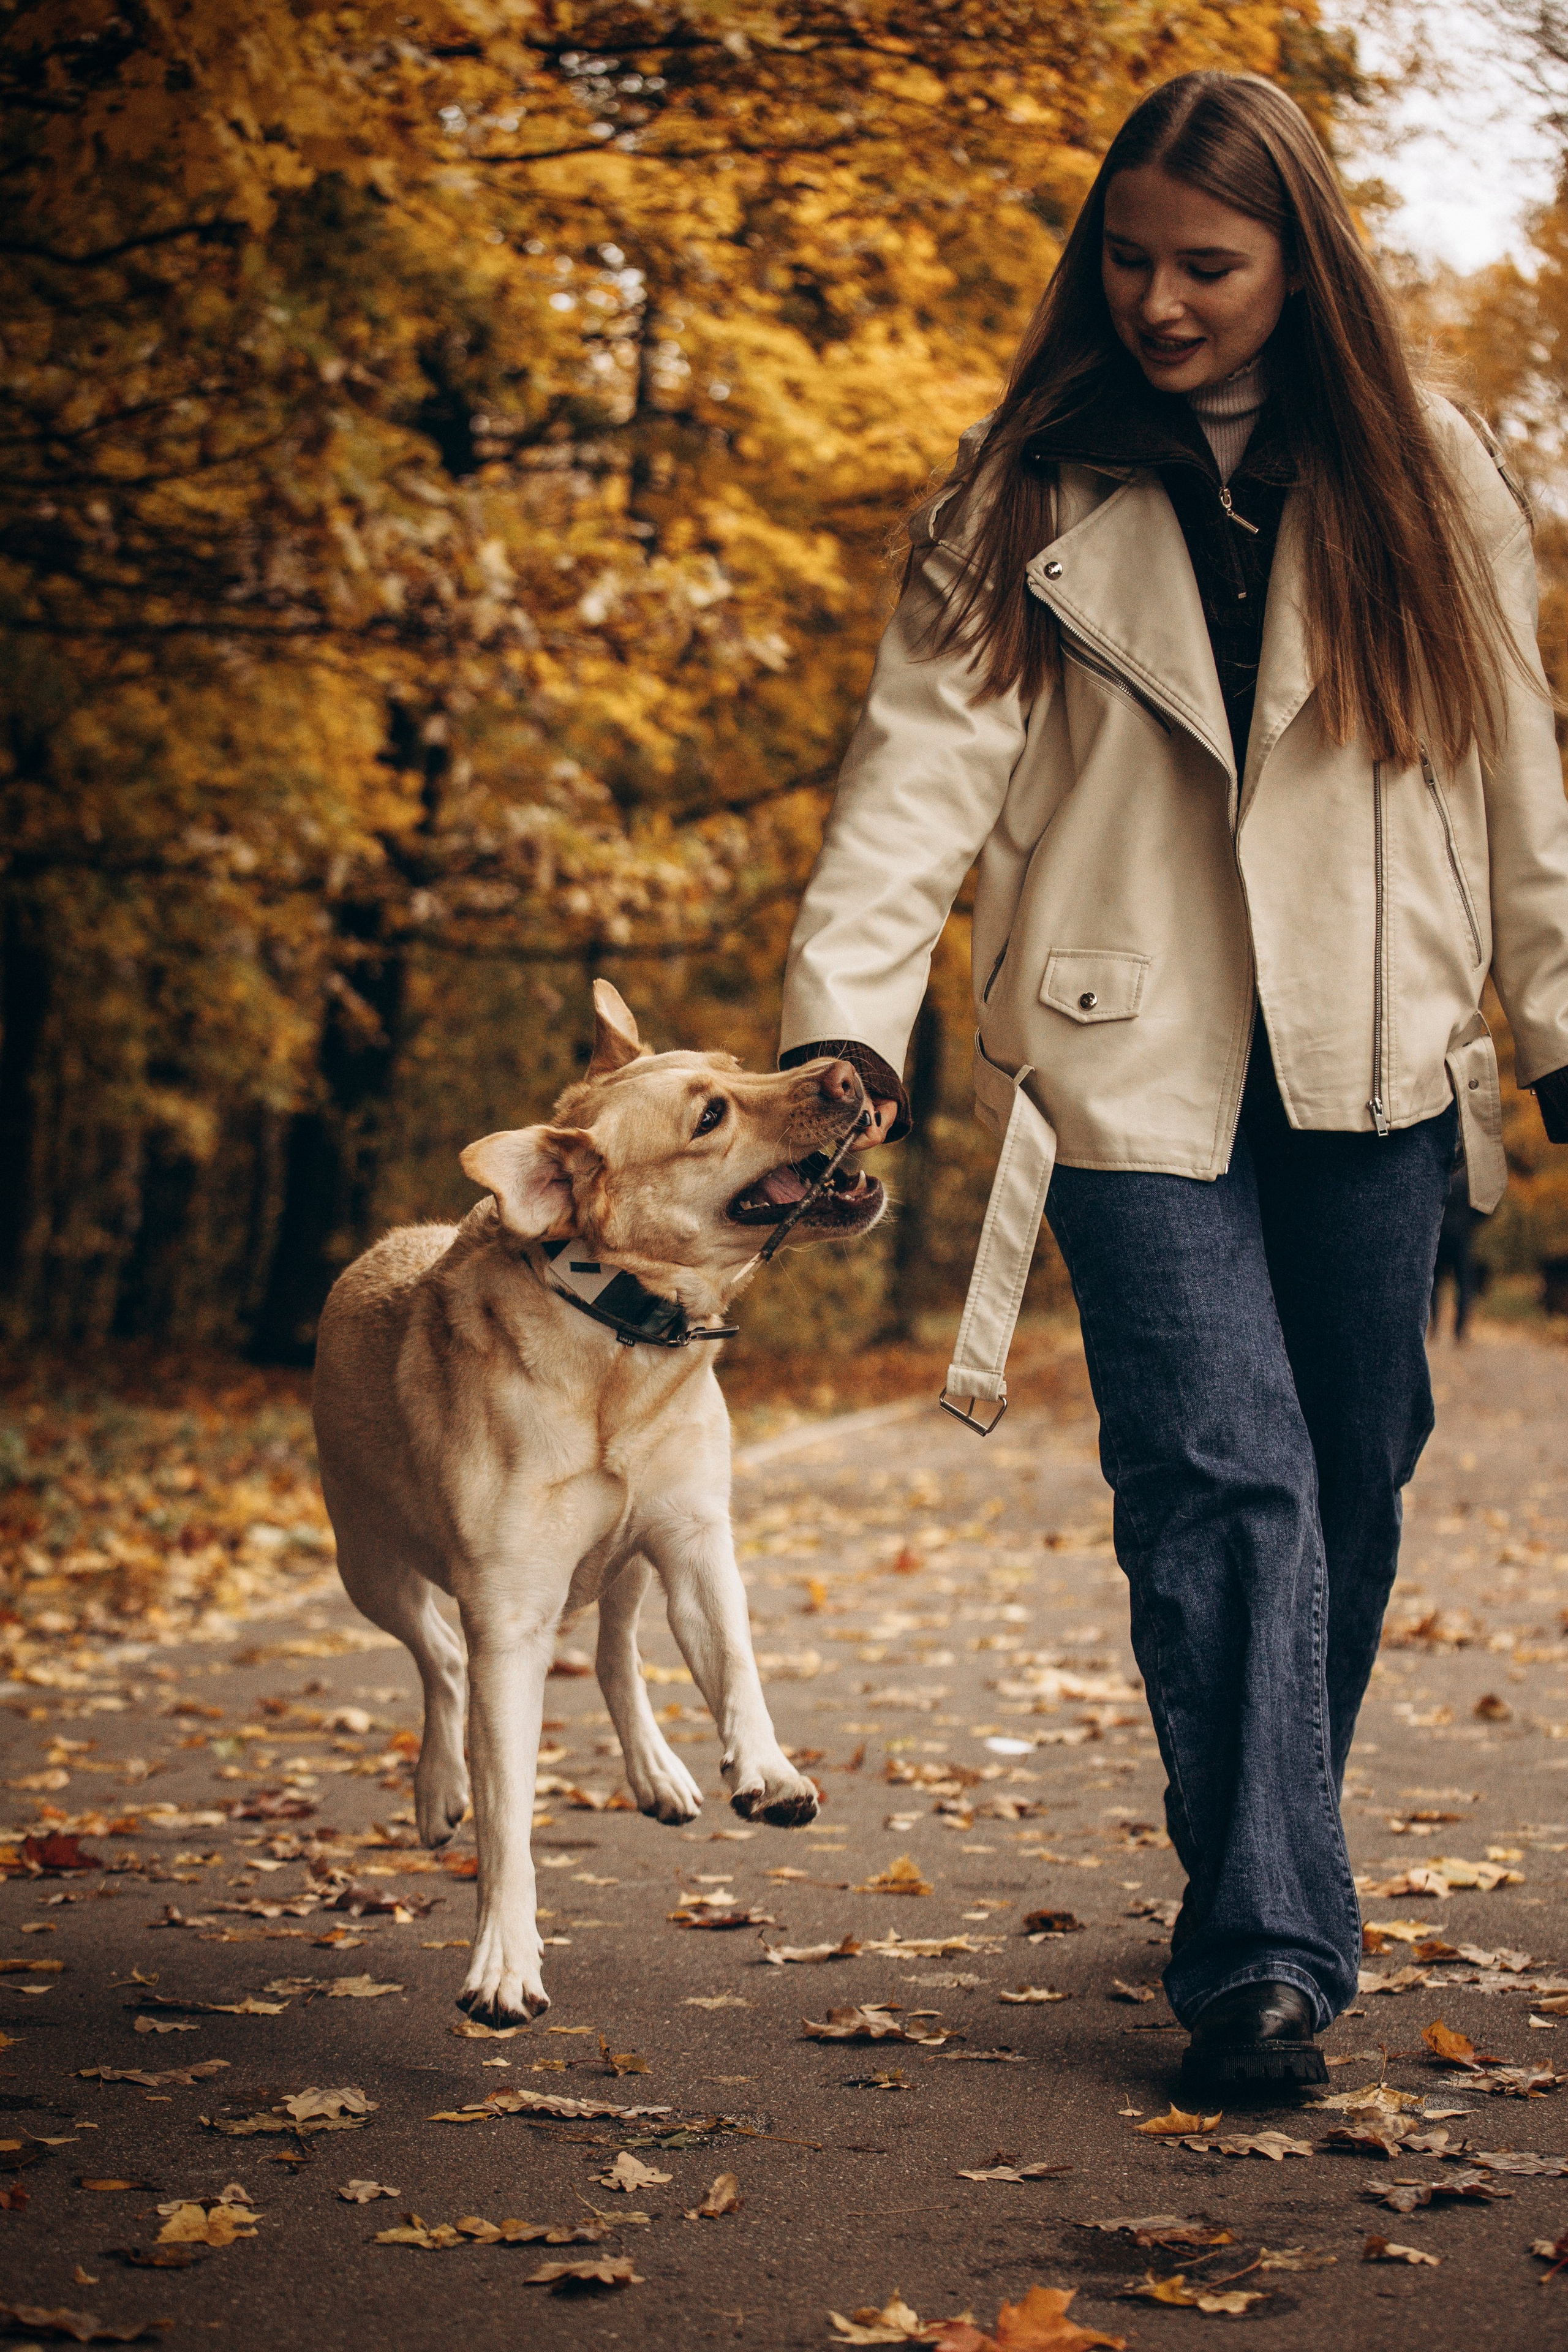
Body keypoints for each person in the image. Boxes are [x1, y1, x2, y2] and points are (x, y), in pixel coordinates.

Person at [777, 70, 1568, 2093]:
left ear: (1301, 264)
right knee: (1220, 1474)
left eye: (1205, 262)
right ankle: (1268, 1953)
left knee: (1352, 1488)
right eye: (1125, 256)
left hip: (1377, 1054)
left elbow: (1514, 788)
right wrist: (844, 1021)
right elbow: (913, 776)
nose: (1158, 298)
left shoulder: (1434, 481)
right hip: (1129, 1058)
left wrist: (1559, 1024)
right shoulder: (1019, 486)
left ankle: (1251, 1847)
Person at [1431, 1155, 1483, 1340]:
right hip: (1462, 1236)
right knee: (1464, 1284)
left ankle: (1434, 1326)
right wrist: (1473, 1224)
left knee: (1433, 1284)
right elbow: (1484, 1206)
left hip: (1438, 1236)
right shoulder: (1470, 1178)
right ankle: (1460, 1331)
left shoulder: (1437, 1174)